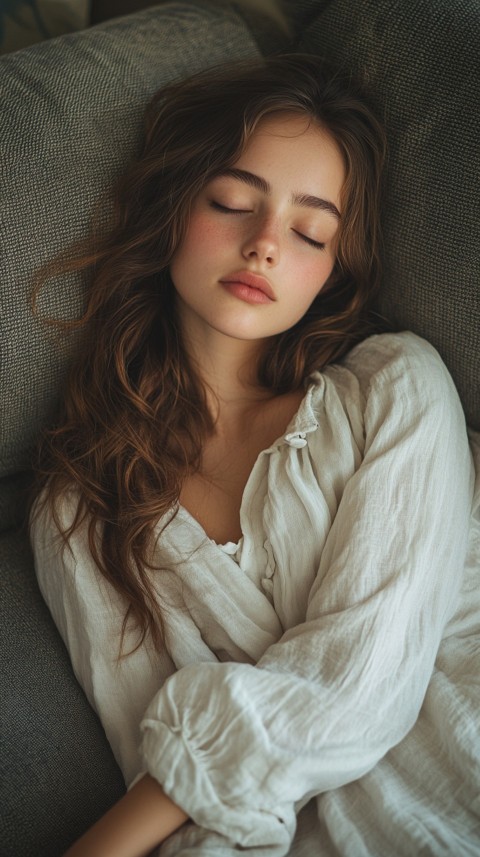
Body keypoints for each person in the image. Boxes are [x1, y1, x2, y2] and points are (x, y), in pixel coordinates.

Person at [30, 54, 480, 857]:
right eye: (234, 202)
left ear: (331, 274)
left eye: (310, 230)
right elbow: (162, 763)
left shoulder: (397, 389)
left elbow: (361, 677)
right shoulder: (79, 508)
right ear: (174, 206)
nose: (266, 245)